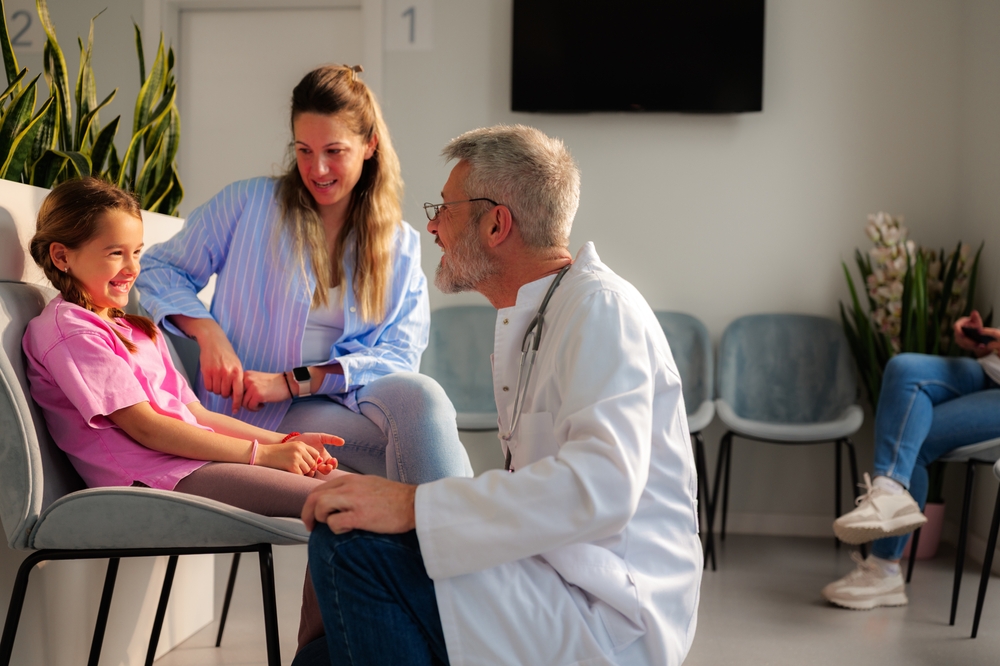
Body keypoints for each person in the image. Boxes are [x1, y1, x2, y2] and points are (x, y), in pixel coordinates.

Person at [296, 125, 703, 666]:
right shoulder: (544, 315)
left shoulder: (603, 310)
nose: (432, 226)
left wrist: (413, 504)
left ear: (495, 223)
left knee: (349, 546)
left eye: (444, 208)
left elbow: (603, 487)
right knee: (321, 656)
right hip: (546, 582)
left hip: (606, 614)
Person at [22, 176, 344, 647]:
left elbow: (193, 412)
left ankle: (335, 654)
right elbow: (148, 429)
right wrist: (260, 454)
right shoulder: (71, 331)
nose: (131, 267)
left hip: (187, 464)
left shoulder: (135, 327)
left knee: (351, 492)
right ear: (62, 255)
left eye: (136, 251)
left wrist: (285, 442)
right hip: (153, 479)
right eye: (115, 252)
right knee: (341, 502)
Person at [136, 64, 471, 484]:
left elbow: (399, 355)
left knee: (424, 397)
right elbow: (158, 268)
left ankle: (458, 532)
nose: (318, 169)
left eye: (334, 151)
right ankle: (470, 534)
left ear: (369, 145)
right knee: (411, 450)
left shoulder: (398, 242)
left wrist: (295, 381)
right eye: (304, 151)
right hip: (256, 415)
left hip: (350, 398)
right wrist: (207, 331)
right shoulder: (247, 204)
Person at [823, 312, 1000, 610]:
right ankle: (889, 491)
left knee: (912, 437)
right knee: (903, 367)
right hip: (989, 371)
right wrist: (983, 340)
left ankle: (884, 568)